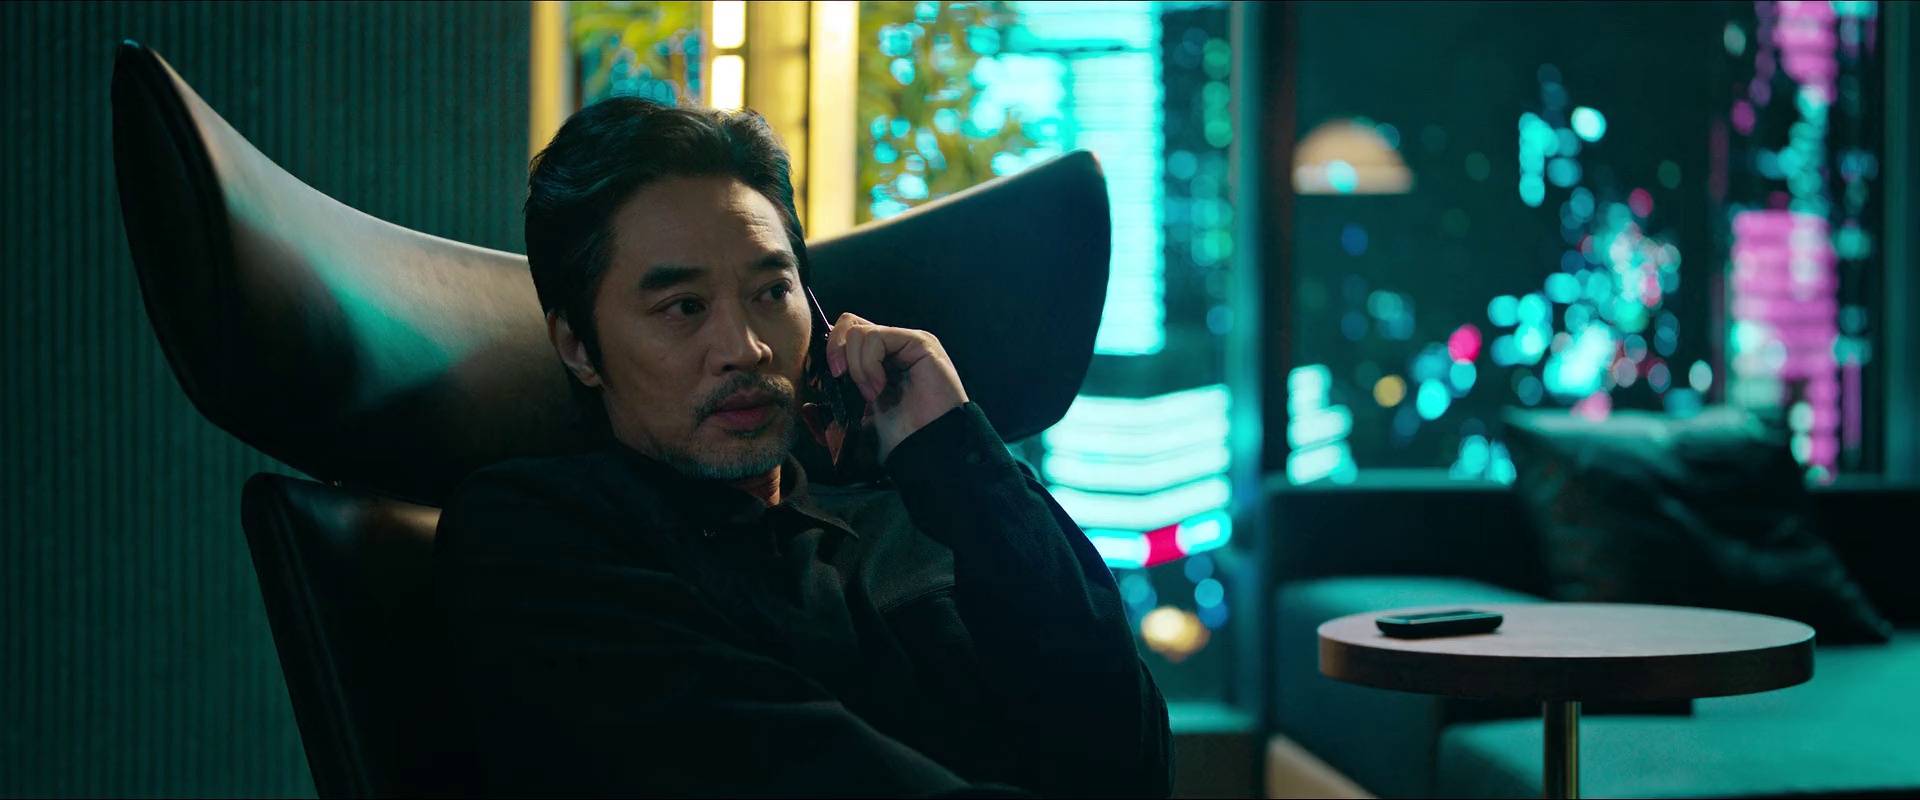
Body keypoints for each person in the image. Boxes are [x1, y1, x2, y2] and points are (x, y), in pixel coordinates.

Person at [431, 96, 1173, 799]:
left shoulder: (916, 517)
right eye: (684, 307)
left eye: (770, 293)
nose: (745, 348)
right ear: (577, 347)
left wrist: (955, 457)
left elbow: (1128, 758)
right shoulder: (534, 531)